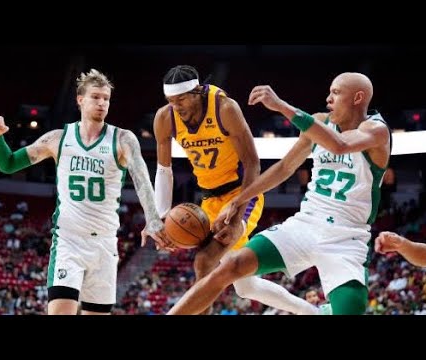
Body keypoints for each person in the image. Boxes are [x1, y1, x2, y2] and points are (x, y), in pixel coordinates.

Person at [168, 72, 391, 315]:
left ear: (358, 98)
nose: (328, 98)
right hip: (306, 224)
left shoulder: (377, 131)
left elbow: (340, 144)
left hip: (346, 238)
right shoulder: (319, 123)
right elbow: (285, 167)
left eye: (336, 93)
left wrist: (281, 106)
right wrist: (238, 200)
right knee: (231, 266)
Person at [0, 68, 168, 315]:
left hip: (105, 243)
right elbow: (8, 164)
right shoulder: (58, 139)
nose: (102, 103)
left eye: (106, 98)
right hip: (68, 242)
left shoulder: (123, 139)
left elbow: (142, 180)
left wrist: (154, 219)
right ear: (80, 100)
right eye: (96, 97)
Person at [154, 65, 319, 315]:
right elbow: (164, 170)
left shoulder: (225, 108)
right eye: (171, 101)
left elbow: (253, 163)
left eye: (181, 100)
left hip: (242, 193)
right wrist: (161, 218)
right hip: (209, 198)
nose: (176, 106)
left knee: (204, 261)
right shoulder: (165, 118)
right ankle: (313, 312)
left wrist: (237, 214)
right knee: (245, 286)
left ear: (197, 92)